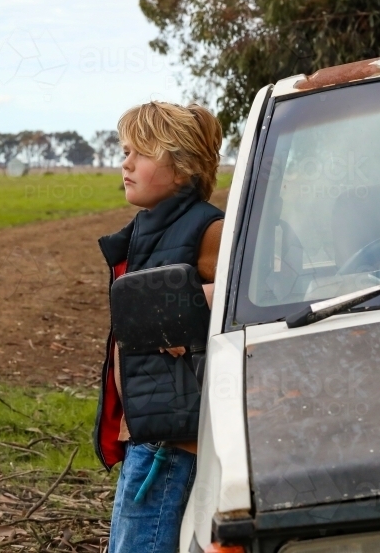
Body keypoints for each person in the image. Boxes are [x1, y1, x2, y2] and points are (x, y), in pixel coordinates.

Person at [94, 101, 225, 553]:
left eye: (140, 153)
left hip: (173, 439)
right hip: (149, 431)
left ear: (183, 167)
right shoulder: (147, 229)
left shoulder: (209, 230)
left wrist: (183, 313)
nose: (125, 163)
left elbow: (257, 290)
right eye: (125, 150)